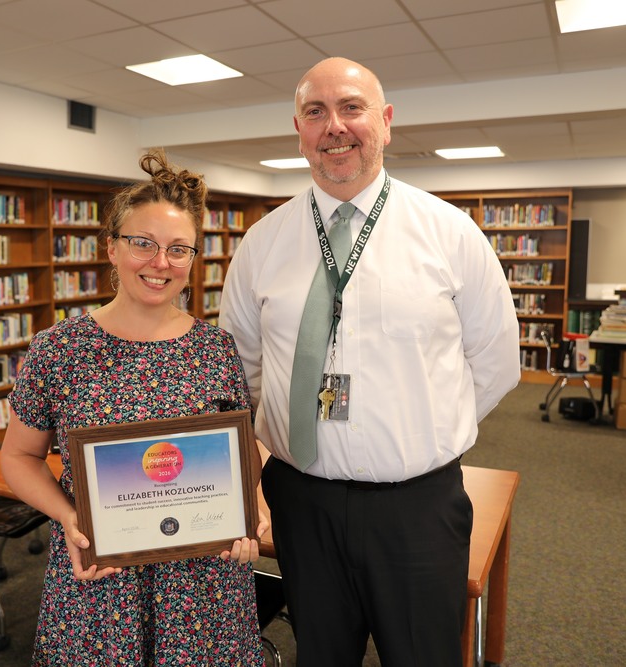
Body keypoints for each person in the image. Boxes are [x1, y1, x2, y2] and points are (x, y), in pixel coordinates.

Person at [219, 57, 520, 665]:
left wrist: (420, 426)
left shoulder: (450, 233)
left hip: (417, 508)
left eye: (351, 108)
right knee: (322, 654)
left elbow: (494, 363)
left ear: (384, 123)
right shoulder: (262, 243)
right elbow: (242, 370)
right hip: (301, 503)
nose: (335, 126)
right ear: (299, 130)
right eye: (315, 111)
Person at [1, 150, 266, 667]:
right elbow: (19, 458)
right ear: (112, 249)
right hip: (102, 581)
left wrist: (253, 504)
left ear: (193, 258)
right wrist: (71, 518)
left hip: (202, 587)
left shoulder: (216, 349)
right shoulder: (58, 350)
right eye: (142, 243)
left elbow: (240, 449)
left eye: (178, 249)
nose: (160, 262)